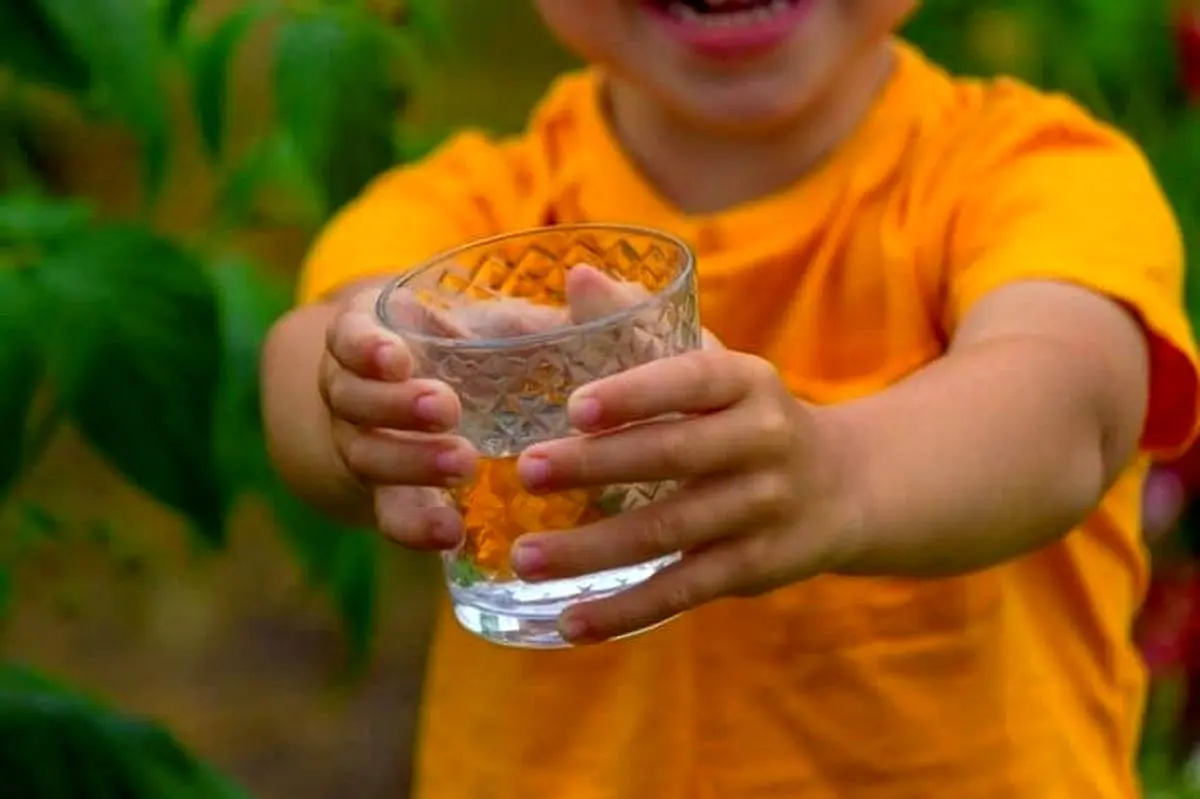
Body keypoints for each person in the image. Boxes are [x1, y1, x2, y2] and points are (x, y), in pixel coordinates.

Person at [260, 0, 1200, 795]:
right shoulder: (468, 210)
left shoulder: (1039, 173)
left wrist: (842, 476)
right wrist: (362, 403)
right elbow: (319, 346)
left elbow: (1070, 400)